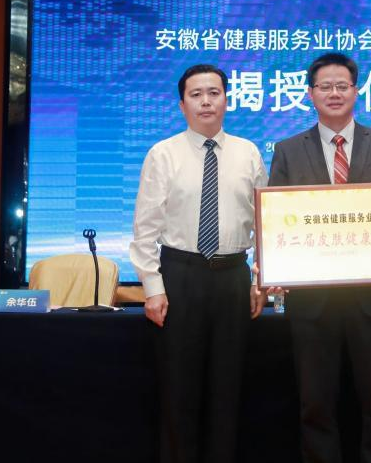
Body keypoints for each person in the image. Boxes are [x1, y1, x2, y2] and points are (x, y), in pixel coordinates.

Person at [269, 52, 371, 463]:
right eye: (325, 86)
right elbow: (277, 220)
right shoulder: (288, 150)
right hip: (312, 300)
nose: (334, 93)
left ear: (356, 91)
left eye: (342, 86)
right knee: (315, 406)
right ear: (310, 94)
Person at [129, 64, 267, 463]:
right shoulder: (163, 154)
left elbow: (265, 222)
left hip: (233, 277)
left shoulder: (248, 152)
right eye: (196, 94)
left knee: (228, 390)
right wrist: (153, 288)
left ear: (227, 99)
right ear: (182, 104)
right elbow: (145, 229)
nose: (206, 101)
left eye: (214, 93)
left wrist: (260, 279)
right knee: (179, 391)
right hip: (180, 277)